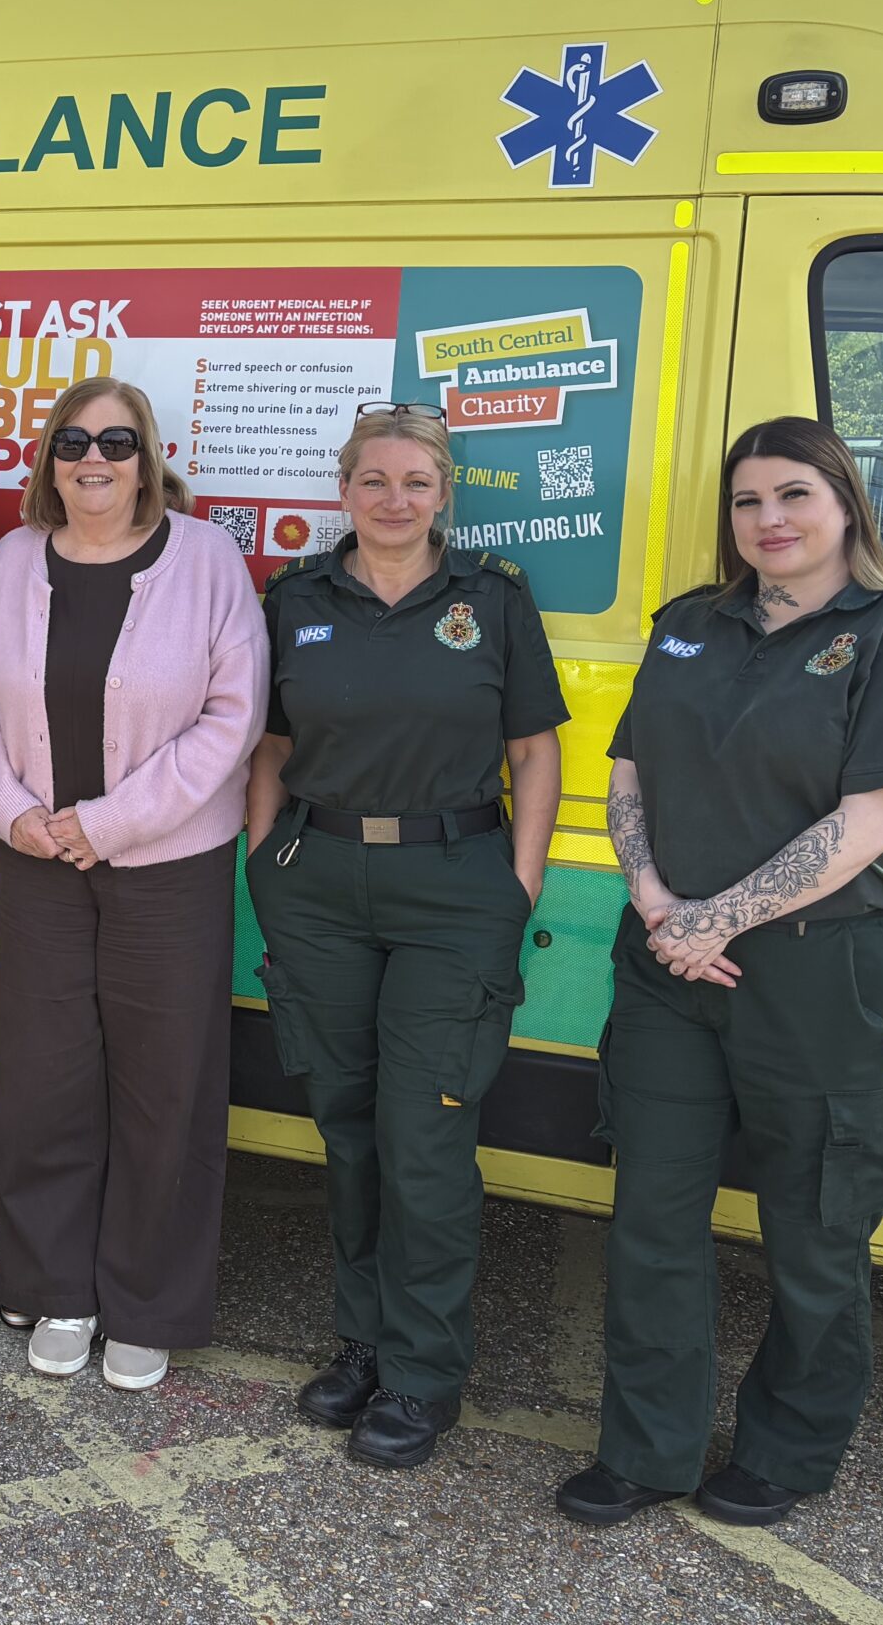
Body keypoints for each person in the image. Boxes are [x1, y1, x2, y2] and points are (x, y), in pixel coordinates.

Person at [556, 417, 883, 1529]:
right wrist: (654, 906)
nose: (769, 520)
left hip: (822, 974)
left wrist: (712, 922)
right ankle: (645, 1450)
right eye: (747, 502)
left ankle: (789, 1450)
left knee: (818, 1230)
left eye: (794, 495)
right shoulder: (689, 624)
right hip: (667, 970)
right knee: (652, 1214)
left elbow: (870, 819)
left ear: (845, 505)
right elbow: (627, 772)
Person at [244, 405, 566, 1467]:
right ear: (342, 492)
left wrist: (512, 890)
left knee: (423, 1140)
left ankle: (424, 1374)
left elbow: (533, 752)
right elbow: (270, 747)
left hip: (452, 884)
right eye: (373, 480)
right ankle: (363, 1345)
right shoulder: (294, 597)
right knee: (346, 1128)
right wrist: (265, 865)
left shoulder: (491, 598)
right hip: (320, 880)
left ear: (445, 494)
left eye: (415, 482)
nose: (393, 499)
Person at [0, 379, 268, 1391]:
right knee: (41, 1083)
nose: (95, 459)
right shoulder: (11, 559)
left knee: (162, 1088)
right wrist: (18, 814)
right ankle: (56, 1287)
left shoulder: (207, 558)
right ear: (49, 457)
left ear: (149, 456)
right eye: (74, 441)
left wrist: (106, 823)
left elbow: (234, 718)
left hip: (165, 866)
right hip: (36, 860)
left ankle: (146, 1302)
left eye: (117, 442)